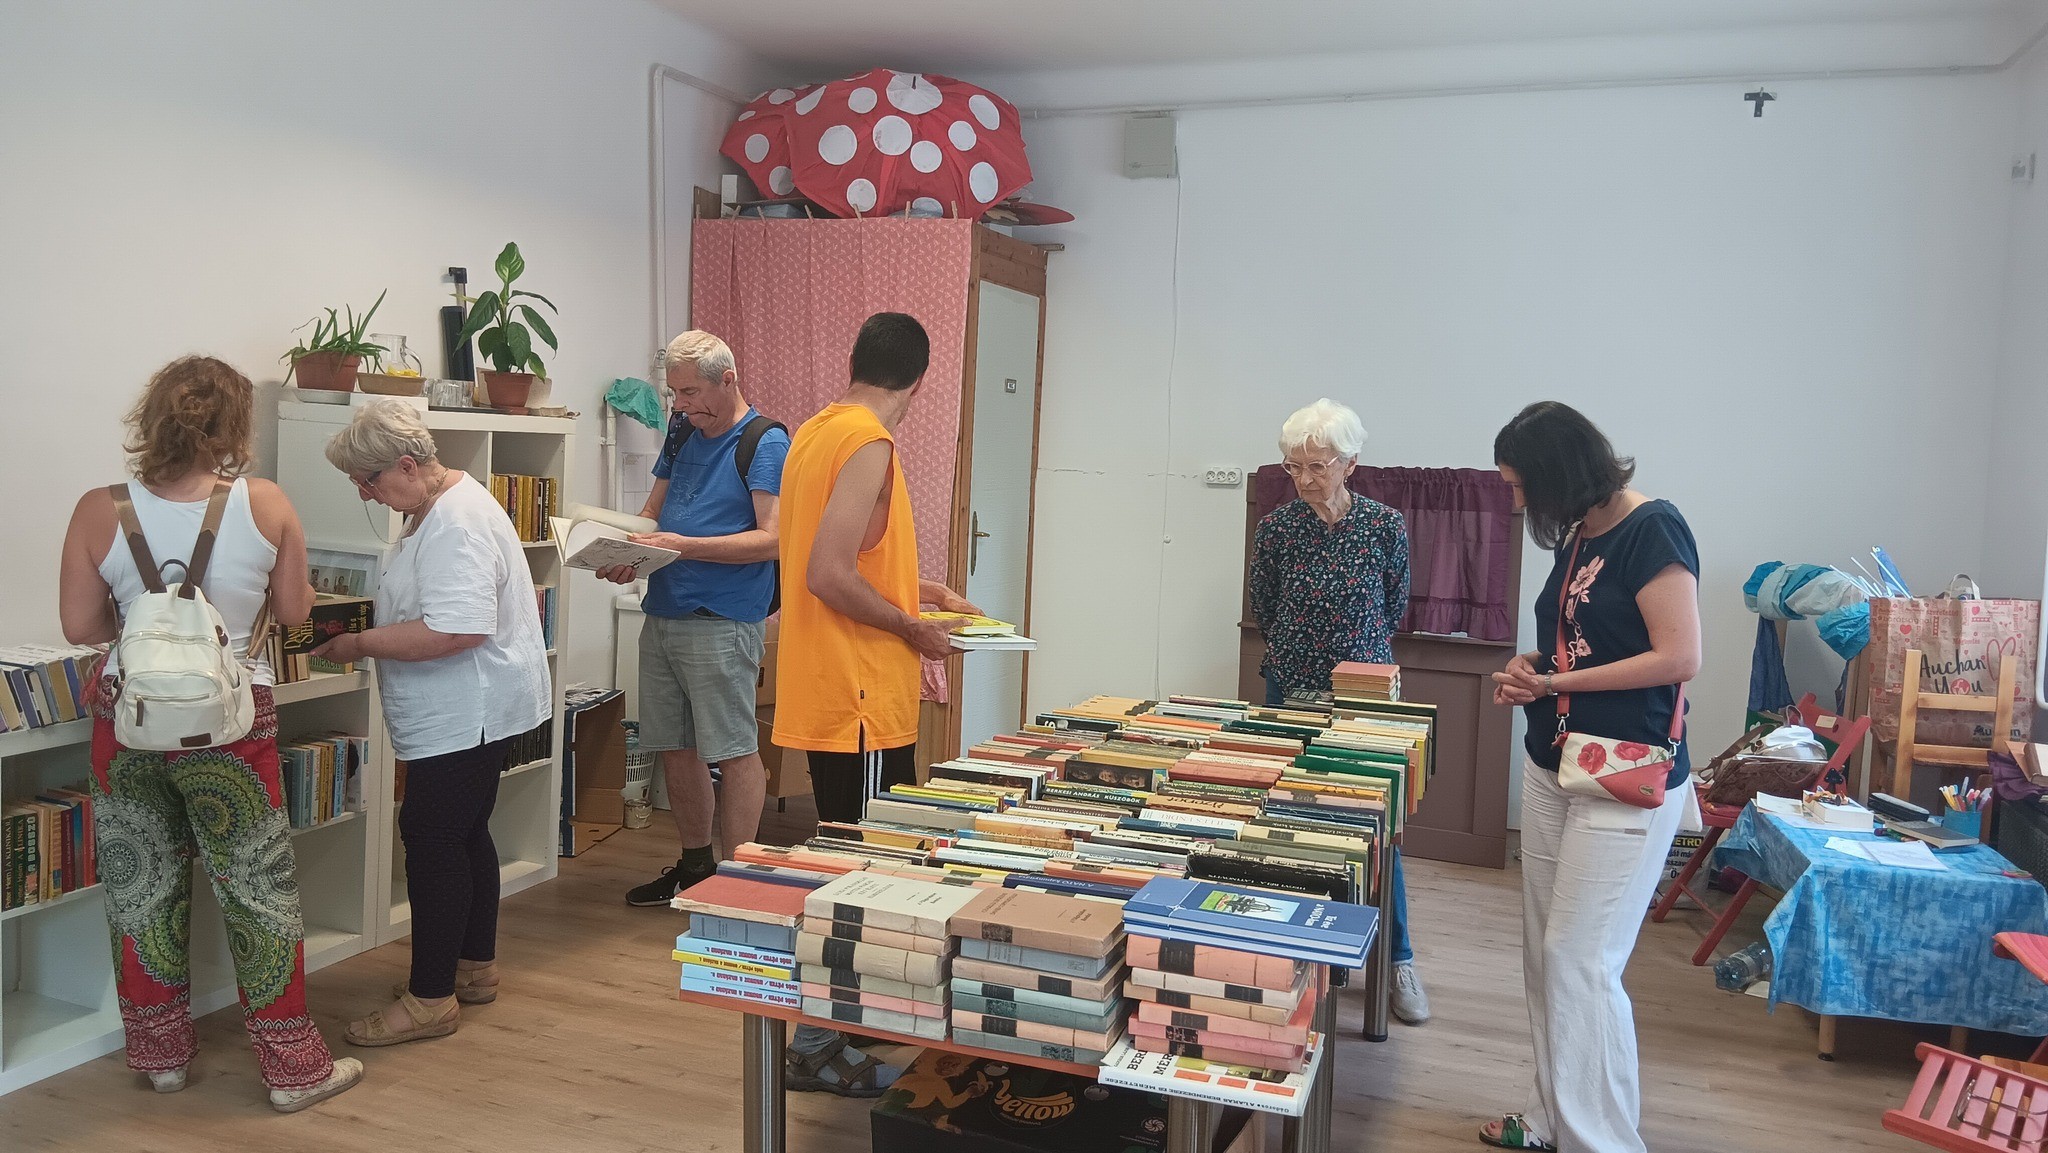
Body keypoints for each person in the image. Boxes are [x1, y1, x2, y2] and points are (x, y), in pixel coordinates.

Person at [56, 356, 363, 1112]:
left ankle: (161, 1057)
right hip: (232, 722)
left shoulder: (99, 508)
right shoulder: (266, 503)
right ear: (234, 426)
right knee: (257, 890)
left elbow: (80, 626)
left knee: (140, 884)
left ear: (150, 417)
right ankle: (293, 1071)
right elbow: (291, 612)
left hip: (128, 722)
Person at [1483, 401, 1701, 1153]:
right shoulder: (1581, 532)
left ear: (1558, 473)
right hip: (1556, 760)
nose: (1519, 502)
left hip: (1627, 772)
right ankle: (1553, 1117)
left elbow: (1679, 656)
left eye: (1522, 485)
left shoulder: (1653, 529)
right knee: (1547, 957)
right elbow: (1580, 644)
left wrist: (1553, 683)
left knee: (1581, 959)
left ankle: (1602, 1141)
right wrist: (1532, 668)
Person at [773, 312, 978, 1096]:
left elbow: (834, 554)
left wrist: (919, 591)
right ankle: (815, 1043)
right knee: (861, 874)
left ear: (856, 361)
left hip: (836, 685)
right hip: (858, 693)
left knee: (855, 861)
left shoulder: (816, 431)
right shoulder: (869, 443)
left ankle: (836, 1029)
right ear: (921, 380)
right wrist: (911, 628)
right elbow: (827, 573)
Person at [313, 399, 551, 1048]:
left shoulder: (456, 522)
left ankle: (430, 999)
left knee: (431, 836)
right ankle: (472, 967)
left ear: (407, 465)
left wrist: (359, 644)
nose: (364, 494)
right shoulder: (435, 504)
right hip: (471, 707)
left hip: (467, 709)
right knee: (464, 832)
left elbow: (456, 629)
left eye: (368, 481)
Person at [1247, 398, 1428, 1025]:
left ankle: (1398, 960)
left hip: (1364, 697)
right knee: (1290, 825)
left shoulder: (1383, 525)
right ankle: (1296, 957)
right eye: (1293, 466)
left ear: (1350, 463)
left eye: (1316, 465)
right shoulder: (1277, 528)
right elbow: (1265, 607)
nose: (1303, 478)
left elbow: (1394, 605)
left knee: (1378, 829)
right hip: (1290, 690)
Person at [605, 331, 788, 907]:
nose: (680, 405)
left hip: (723, 617)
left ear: (728, 380)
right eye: (674, 393)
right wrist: (626, 550)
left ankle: (737, 882)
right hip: (664, 608)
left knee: (733, 750)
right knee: (674, 746)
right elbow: (651, 511)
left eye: (690, 392)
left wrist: (682, 546)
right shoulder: (683, 430)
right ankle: (695, 868)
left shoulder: (765, 440)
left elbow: (773, 540)